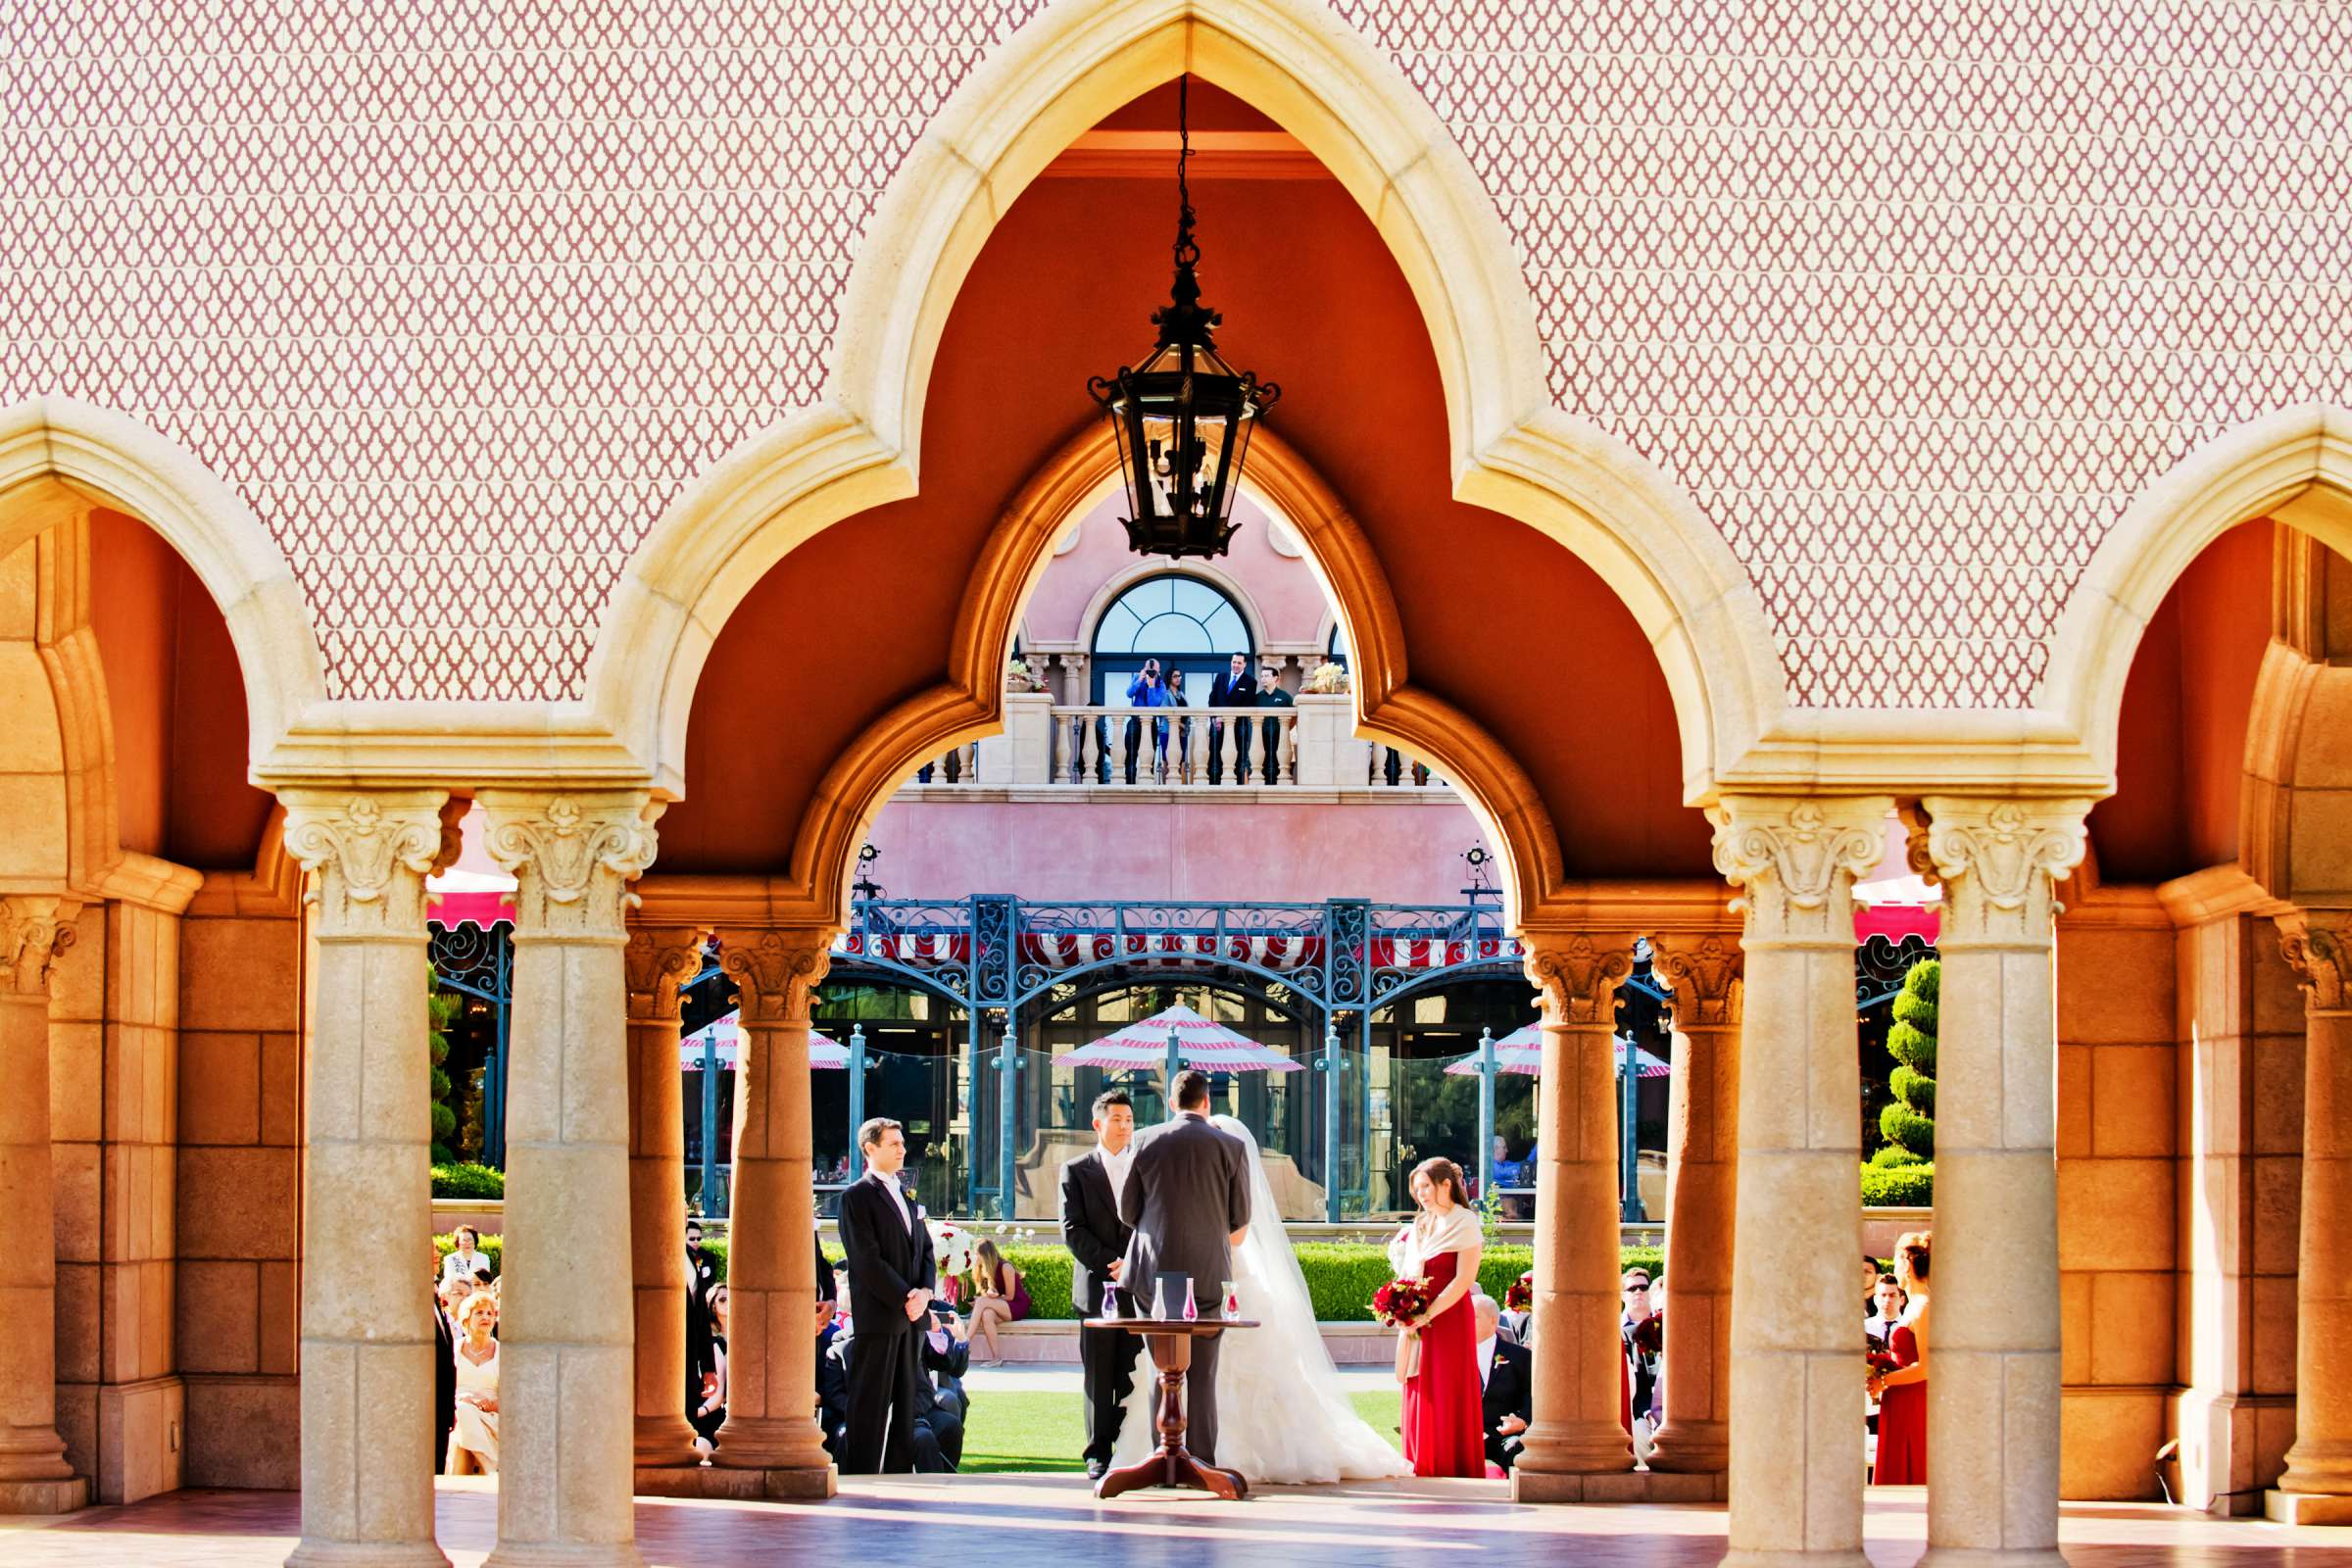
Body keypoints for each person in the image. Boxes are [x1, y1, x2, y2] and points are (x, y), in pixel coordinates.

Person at [1110, 1113, 1406, 1482]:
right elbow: (1230, 1222)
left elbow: (1231, 1231)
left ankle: (1188, 1458)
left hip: (1220, 1277)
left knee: (1199, 1370)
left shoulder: (1179, 1155)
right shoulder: (1219, 1162)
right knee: (1185, 1372)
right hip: (1211, 1273)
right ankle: (1181, 1455)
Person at [1116, 1068, 1251, 1465]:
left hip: (1153, 1271)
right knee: (1203, 1375)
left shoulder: (1143, 1140)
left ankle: (1165, 1458)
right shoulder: (1231, 1146)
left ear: (1171, 1103)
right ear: (1207, 1102)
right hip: (1209, 1271)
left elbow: (1127, 1212)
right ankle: (1204, 1463)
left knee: (1163, 1369)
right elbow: (1239, 1215)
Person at [836, 1116, 935, 1474]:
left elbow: (925, 1251)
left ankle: (897, 1477)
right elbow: (866, 1259)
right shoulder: (856, 1197)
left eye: (902, 1142)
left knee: (907, 1407)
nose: (902, 1149)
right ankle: (859, 1478)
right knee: (869, 1407)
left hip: (912, 1319)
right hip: (880, 1318)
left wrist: (924, 1293)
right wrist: (905, 1297)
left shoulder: (908, 1197)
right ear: (870, 1148)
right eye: (893, 1143)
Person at [1388, 1155, 1485, 1477]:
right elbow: (1407, 1273)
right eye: (1417, 1189)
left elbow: (1463, 1280)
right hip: (1417, 1320)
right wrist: (1401, 1308)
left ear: (1446, 1185)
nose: (1421, 1194)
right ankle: (1421, 1462)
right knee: (1419, 1385)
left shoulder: (1465, 1221)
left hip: (1450, 1319)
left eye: (1426, 1186)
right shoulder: (1420, 1224)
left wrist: (1428, 1313)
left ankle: (1451, 1464)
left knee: (1446, 1387)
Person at [1061, 1088, 1138, 1480]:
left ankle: (1130, 1447)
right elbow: (1072, 1230)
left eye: (1128, 1119)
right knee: (1098, 1374)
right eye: (1117, 1119)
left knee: (1132, 1371)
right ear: (1098, 1123)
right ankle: (1097, 1452)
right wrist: (1112, 1263)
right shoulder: (1076, 1169)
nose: (1124, 1126)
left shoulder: (1145, 1166)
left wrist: (1135, 1264)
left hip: (1139, 1288)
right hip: (1096, 1288)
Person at [1869, 1234, 1932, 1484]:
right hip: (1899, 1397)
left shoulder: (1924, 1306)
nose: (1893, 1267)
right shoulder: (1915, 1305)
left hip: (1913, 1399)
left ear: (1906, 1263)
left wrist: (1884, 1381)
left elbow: (1927, 1367)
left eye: (1896, 1259)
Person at [1471, 1293, 1532, 1475]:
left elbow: (1532, 1393)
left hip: (1502, 1434)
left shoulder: (1519, 1356)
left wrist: (1523, 1421)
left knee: (1517, 1450)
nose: (1466, 1321)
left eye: (1474, 1316)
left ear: (1493, 1320)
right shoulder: (1453, 1355)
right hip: (1462, 1436)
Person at [447, 1290, 501, 1474]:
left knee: (462, 1435)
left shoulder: (503, 1352)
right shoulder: (453, 1349)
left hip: (492, 1418)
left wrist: (492, 1405)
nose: (485, 1317)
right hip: (458, 1412)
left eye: (490, 1313)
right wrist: (461, 1399)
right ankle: (490, 1466)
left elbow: (512, 1394)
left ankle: (459, 1485)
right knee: (463, 1412)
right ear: (466, 1319)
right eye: (479, 1312)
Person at [962, 1238, 1031, 1366]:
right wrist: (985, 1298)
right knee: (986, 1314)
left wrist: (986, 1300)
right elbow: (992, 1294)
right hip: (1003, 1306)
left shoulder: (1006, 1267)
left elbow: (1010, 1296)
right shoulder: (985, 1269)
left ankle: (965, 1343)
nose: (975, 1257)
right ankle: (996, 1358)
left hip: (1017, 1305)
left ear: (985, 1255)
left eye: (976, 1254)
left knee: (983, 1302)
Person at [1622, 1267, 1663, 1458]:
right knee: (1639, 1431)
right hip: (1644, 1408)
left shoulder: (1661, 1326)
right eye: (1631, 1289)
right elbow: (1639, 1386)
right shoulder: (1620, 1332)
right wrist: (1650, 1415)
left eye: (1643, 1287)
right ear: (1622, 1295)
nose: (1638, 1292)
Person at [1123, 660, 1176, 783]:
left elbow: (1154, 705)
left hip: (1151, 723)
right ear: (1144, 669)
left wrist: (1151, 687)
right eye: (1149, 671)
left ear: (1158, 671)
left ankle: (1147, 784)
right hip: (1135, 722)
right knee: (1131, 755)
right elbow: (1129, 694)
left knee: (1149, 757)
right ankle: (1130, 784)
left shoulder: (1161, 685)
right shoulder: (1137, 677)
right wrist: (1139, 680)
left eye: (1154, 672)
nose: (1151, 674)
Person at [691, 1283, 729, 1450]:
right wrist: (699, 1412)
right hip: (710, 1415)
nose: (730, 1303)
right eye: (723, 1299)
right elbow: (718, 1393)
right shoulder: (714, 1344)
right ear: (713, 1307)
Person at [1208, 652, 1255, 783]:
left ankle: (1237, 790)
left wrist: (1224, 718)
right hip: (1217, 728)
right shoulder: (1221, 677)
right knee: (1215, 760)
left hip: (1238, 730)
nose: (1236, 665)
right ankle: (1214, 789)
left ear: (1245, 664)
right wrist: (1214, 718)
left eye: (1239, 663)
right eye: (1234, 662)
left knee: (1238, 761)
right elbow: (1212, 700)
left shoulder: (1251, 682)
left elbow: (1247, 705)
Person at [431, 1245, 457, 1475]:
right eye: (430, 1250)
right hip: (425, 1403)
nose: (436, 1254)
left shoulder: (435, 1298)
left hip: (442, 1404)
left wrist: (450, 1408)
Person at [1254, 664, 1292, 783]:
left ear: (1276, 678)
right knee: (1262, 765)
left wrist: (1286, 731)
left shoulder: (1285, 697)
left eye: (1266, 676)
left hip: (1280, 738)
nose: (1263, 678)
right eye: (1262, 676)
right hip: (1261, 738)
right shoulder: (1257, 697)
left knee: (1279, 765)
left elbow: (1294, 717)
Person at [439, 1225, 485, 1292]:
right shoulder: (450, 1259)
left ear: (475, 1241)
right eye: (464, 1240)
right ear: (458, 1243)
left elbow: (485, 1280)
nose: (467, 1243)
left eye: (470, 1240)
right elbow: (450, 1280)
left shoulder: (484, 1258)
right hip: (459, 1293)